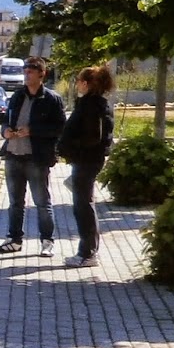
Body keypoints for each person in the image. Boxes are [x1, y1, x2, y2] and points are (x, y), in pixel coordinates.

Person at [0, 56, 66, 257]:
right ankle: (14, 239)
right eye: (25, 69)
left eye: (31, 70)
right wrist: (5, 131)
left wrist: (32, 130)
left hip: (37, 158)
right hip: (13, 155)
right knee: (15, 202)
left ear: (42, 74)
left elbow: (59, 128)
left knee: (42, 202)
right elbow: (5, 120)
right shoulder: (17, 96)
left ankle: (47, 241)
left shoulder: (52, 99)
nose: (26, 73)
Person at [56, 64, 116, 267]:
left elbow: (93, 137)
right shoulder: (93, 103)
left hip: (87, 160)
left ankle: (87, 253)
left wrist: (71, 147)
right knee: (83, 204)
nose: (77, 85)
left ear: (86, 83)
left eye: (79, 81)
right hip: (86, 160)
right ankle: (88, 251)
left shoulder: (91, 106)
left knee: (83, 207)